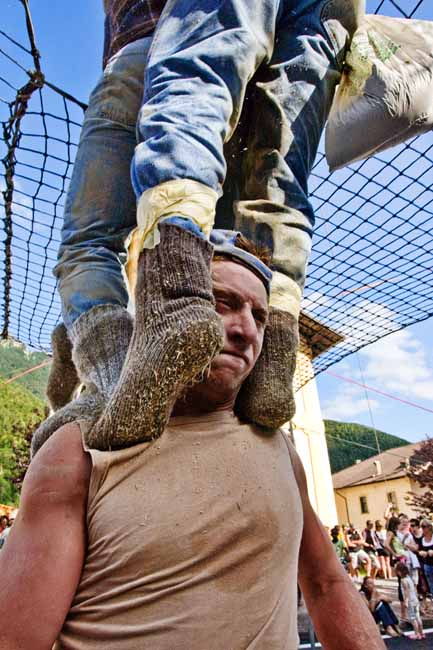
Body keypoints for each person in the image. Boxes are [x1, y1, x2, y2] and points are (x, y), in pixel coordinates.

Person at [0, 237, 386, 650]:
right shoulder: (79, 450)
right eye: (222, 303)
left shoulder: (280, 451)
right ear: (166, 312)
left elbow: (326, 583)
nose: (245, 330)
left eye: (258, 315)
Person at [34, 0, 360, 453]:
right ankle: (273, 355)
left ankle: (137, 355)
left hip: (145, 50)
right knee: (277, 180)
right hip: (316, 24)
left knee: (88, 242)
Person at [395, 562, 425, 641]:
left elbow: (406, 591)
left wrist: (406, 601)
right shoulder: (409, 578)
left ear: (399, 572)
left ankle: (417, 633)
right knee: (417, 616)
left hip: (410, 601)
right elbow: (413, 589)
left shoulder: (403, 580)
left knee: (412, 618)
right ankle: (422, 633)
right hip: (415, 599)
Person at [418, 518, 433, 597]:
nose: (422, 529)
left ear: (429, 527)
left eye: (424, 526)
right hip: (427, 565)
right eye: (421, 527)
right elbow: (418, 550)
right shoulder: (421, 540)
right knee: (431, 586)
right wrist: (420, 552)